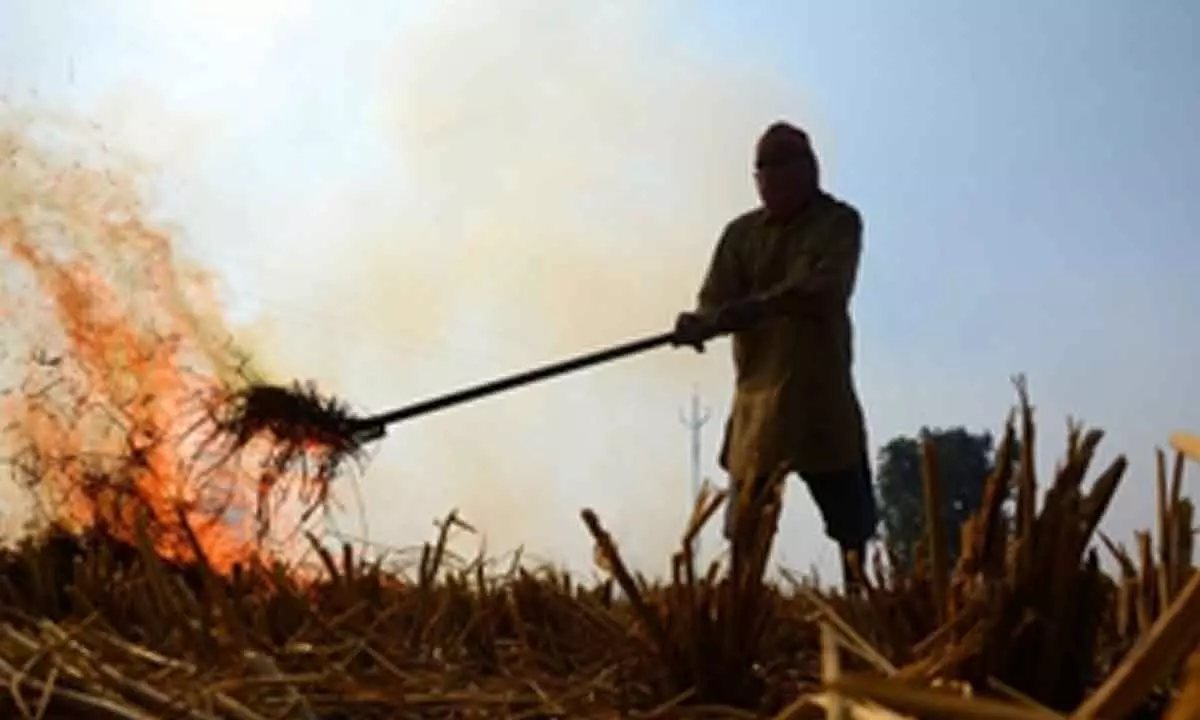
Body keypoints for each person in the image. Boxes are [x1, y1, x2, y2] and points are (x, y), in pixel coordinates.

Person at [672, 121, 876, 591]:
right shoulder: (739, 236)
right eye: (764, 169)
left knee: (852, 522)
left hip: (820, 395)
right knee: (746, 530)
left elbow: (826, 289)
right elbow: (714, 300)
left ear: (811, 170)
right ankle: (740, 609)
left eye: (785, 165)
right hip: (759, 402)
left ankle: (859, 608)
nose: (773, 178)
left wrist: (761, 305)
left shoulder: (838, 223)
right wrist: (698, 322)